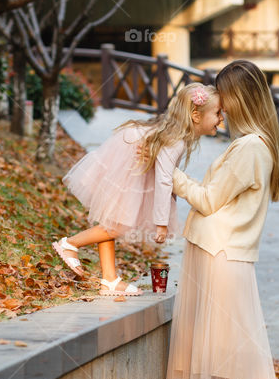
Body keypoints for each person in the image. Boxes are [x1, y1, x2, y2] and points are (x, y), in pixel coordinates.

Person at [164, 60, 279, 379]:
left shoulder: (251, 147)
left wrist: (170, 174)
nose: (223, 107)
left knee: (243, 355)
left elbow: (208, 199)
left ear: (242, 97)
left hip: (225, 257)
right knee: (218, 356)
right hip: (215, 255)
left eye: (226, 97)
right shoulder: (249, 145)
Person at [53, 83, 222, 296]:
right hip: (130, 160)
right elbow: (163, 179)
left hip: (128, 154)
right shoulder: (176, 141)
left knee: (112, 221)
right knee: (119, 225)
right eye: (217, 113)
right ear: (196, 116)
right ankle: (70, 243)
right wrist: (161, 222)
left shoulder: (177, 136)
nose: (221, 118)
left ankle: (109, 279)